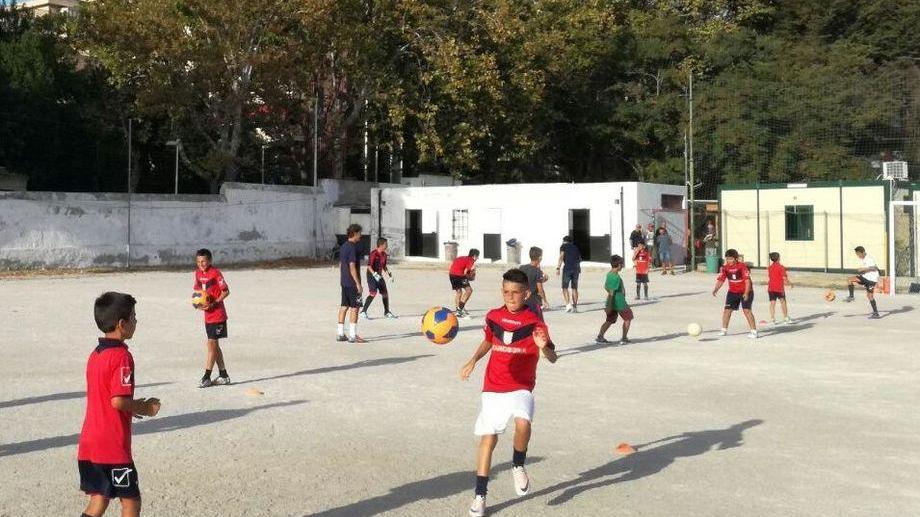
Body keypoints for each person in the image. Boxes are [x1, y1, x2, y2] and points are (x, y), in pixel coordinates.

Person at [460, 268, 557, 517]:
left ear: (526, 294)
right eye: (505, 292)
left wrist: (543, 348)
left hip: (521, 385)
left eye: (515, 293)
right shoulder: (493, 316)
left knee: (523, 422)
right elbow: (489, 340)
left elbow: (553, 357)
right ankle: (480, 496)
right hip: (493, 386)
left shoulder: (536, 323)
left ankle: (517, 465)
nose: (510, 297)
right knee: (488, 439)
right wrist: (473, 360)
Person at [78, 292, 161, 517]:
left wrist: (130, 407)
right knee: (131, 502)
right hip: (112, 444)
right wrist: (145, 408)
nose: (136, 322)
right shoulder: (122, 357)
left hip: (90, 441)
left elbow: (105, 397)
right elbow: (118, 401)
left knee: (98, 500)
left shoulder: (95, 354)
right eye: (133, 317)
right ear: (122, 324)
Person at [193, 248, 231, 388]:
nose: (201, 264)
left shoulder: (215, 273)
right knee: (214, 346)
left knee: (211, 345)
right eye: (198, 261)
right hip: (207, 316)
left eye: (203, 261)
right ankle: (223, 375)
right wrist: (197, 304)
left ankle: (207, 376)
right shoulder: (197, 274)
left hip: (218, 315)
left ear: (210, 261)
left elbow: (226, 291)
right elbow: (197, 292)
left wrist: (215, 302)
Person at [712, 249, 757, 339]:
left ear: (736, 259)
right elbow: (721, 279)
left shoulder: (742, 267)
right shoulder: (725, 268)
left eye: (731, 259)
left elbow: (747, 281)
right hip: (732, 292)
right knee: (727, 311)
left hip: (745, 291)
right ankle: (724, 330)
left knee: (747, 311)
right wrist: (716, 289)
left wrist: (746, 293)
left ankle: (754, 331)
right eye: (727, 259)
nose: (729, 261)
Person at [337, 224, 366, 343]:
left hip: (344, 282)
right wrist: (358, 283)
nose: (361, 235)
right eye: (359, 233)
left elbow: (340, 264)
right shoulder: (353, 247)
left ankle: (340, 333)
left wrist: (343, 277)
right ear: (354, 233)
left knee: (344, 306)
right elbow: (352, 266)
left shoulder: (343, 246)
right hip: (352, 283)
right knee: (355, 308)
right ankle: (353, 335)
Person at [596, 255, 634, 344]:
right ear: (619, 265)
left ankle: (600, 337)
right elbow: (612, 293)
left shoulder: (609, 274)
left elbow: (606, 287)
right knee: (628, 318)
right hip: (619, 302)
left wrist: (609, 304)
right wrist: (609, 306)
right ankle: (624, 338)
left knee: (609, 320)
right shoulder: (615, 277)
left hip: (613, 303)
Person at [360, 237, 397, 319]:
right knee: (373, 293)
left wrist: (390, 275)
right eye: (386, 244)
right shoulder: (374, 253)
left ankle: (387, 312)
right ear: (381, 245)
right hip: (371, 275)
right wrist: (374, 274)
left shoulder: (384, 254)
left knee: (385, 293)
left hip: (379, 276)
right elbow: (369, 266)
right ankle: (363, 312)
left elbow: (384, 266)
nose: (387, 246)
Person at [845, 246, 881, 319]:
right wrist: (864, 271)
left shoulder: (869, 259)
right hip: (869, 279)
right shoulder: (865, 259)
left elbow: (875, 268)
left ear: (863, 252)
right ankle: (876, 313)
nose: (858, 256)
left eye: (858, 254)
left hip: (870, 279)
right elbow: (870, 269)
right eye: (857, 254)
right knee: (869, 296)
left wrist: (863, 269)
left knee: (849, 280)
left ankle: (851, 297)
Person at [519, 246, 549, 320]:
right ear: (540, 258)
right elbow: (540, 289)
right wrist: (545, 301)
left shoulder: (522, 268)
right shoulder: (537, 272)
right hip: (534, 301)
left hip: (522, 300)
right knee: (537, 322)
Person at [450, 249, 480, 319]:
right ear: (474, 256)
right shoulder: (471, 260)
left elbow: (454, 264)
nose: (478, 258)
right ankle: (460, 309)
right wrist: (472, 274)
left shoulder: (462, 257)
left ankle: (458, 310)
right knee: (469, 291)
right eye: (477, 256)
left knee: (459, 292)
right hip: (459, 275)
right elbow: (467, 272)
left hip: (451, 274)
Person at [555, 235, 582, 313]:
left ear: (564, 241)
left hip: (567, 269)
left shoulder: (563, 246)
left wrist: (558, 268)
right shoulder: (575, 247)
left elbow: (561, 256)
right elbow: (579, 259)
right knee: (574, 288)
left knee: (565, 287)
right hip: (576, 269)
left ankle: (568, 305)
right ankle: (575, 307)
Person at [767, 252, 793, 324]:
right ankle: (785, 317)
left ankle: (772, 319)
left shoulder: (770, 267)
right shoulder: (781, 267)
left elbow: (770, 276)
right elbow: (784, 278)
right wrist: (790, 283)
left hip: (771, 288)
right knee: (783, 302)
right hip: (779, 288)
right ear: (778, 258)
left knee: (772, 303)